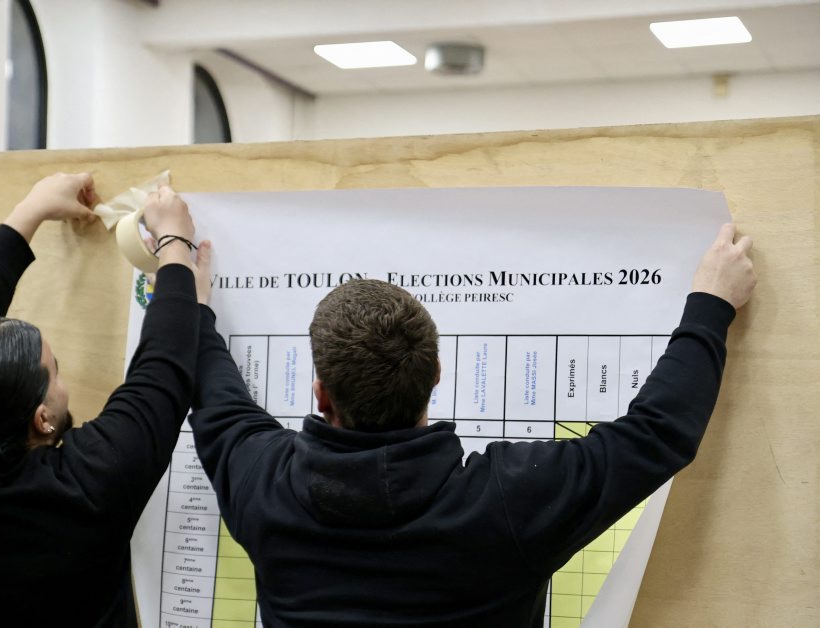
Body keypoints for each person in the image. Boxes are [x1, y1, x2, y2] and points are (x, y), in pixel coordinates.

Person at [189, 224, 755, 626]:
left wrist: (189, 301)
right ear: (436, 374)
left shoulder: (263, 481)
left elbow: (216, 397)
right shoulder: (508, 500)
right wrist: (711, 302)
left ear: (321, 396)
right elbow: (657, 433)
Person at [0, 174, 212, 627]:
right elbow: (161, 377)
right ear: (42, 419)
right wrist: (175, 243)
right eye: (55, 370)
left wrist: (32, 209)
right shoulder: (80, 488)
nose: (61, 378)